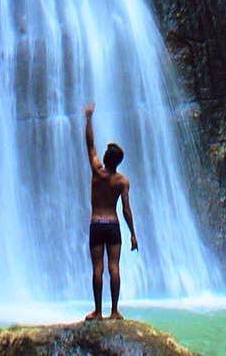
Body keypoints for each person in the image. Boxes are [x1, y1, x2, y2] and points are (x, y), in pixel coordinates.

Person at [82, 101, 137, 321]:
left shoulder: (97, 172)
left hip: (97, 223)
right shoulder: (122, 181)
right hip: (113, 226)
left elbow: (90, 144)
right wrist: (133, 233)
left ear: (105, 158)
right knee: (114, 266)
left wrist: (88, 118)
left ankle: (97, 311)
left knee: (98, 268)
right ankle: (114, 311)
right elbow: (126, 210)